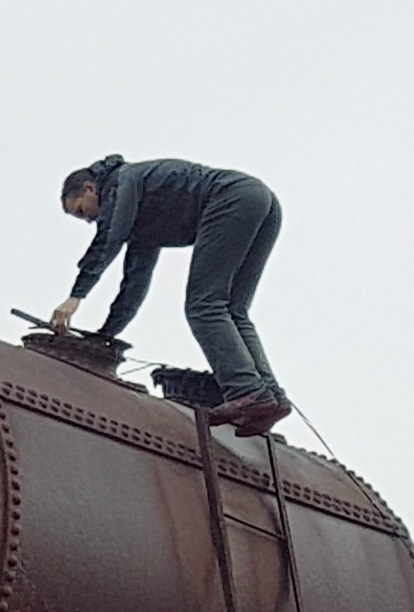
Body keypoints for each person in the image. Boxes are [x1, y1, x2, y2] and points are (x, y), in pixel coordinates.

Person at [51, 155, 291, 435]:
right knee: (233, 310)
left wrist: (75, 296)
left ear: (90, 188)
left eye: (82, 211)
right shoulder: (142, 218)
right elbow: (134, 284)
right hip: (259, 200)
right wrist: (105, 335)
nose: (88, 220)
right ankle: (270, 398)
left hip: (232, 198)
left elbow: (108, 240)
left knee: (204, 306)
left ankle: (247, 392)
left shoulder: (123, 182)